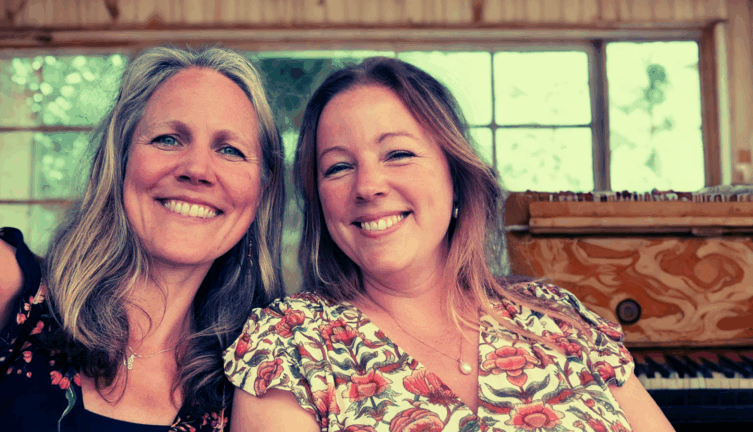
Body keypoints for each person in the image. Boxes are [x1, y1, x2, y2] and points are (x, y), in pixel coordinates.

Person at [223, 57, 674, 432]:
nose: (368, 186)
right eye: (338, 167)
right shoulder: (289, 344)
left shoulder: (560, 320)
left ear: (456, 177)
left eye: (398, 154)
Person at [0, 45, 285, 431]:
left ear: (261, 193)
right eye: (167, 139)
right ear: (120, 161)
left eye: (230, 149)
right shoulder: (9, 288)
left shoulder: (249, 386)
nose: (196, 169)